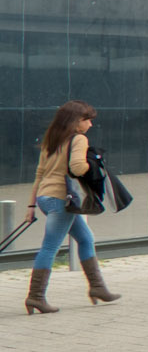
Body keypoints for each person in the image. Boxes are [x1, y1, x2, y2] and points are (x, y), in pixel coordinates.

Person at [22, 100, 116, 315]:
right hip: (62, 200)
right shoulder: (79, 139)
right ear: (76, 122)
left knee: (85, 239)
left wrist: (31, 205)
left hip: (46, 197)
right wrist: (94, 163)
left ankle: (98, 287)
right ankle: (36, 297)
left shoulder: (52, 140)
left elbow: (39, 174)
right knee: (50, 247)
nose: (90, 125)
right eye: (87, 120)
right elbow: (77, 167)